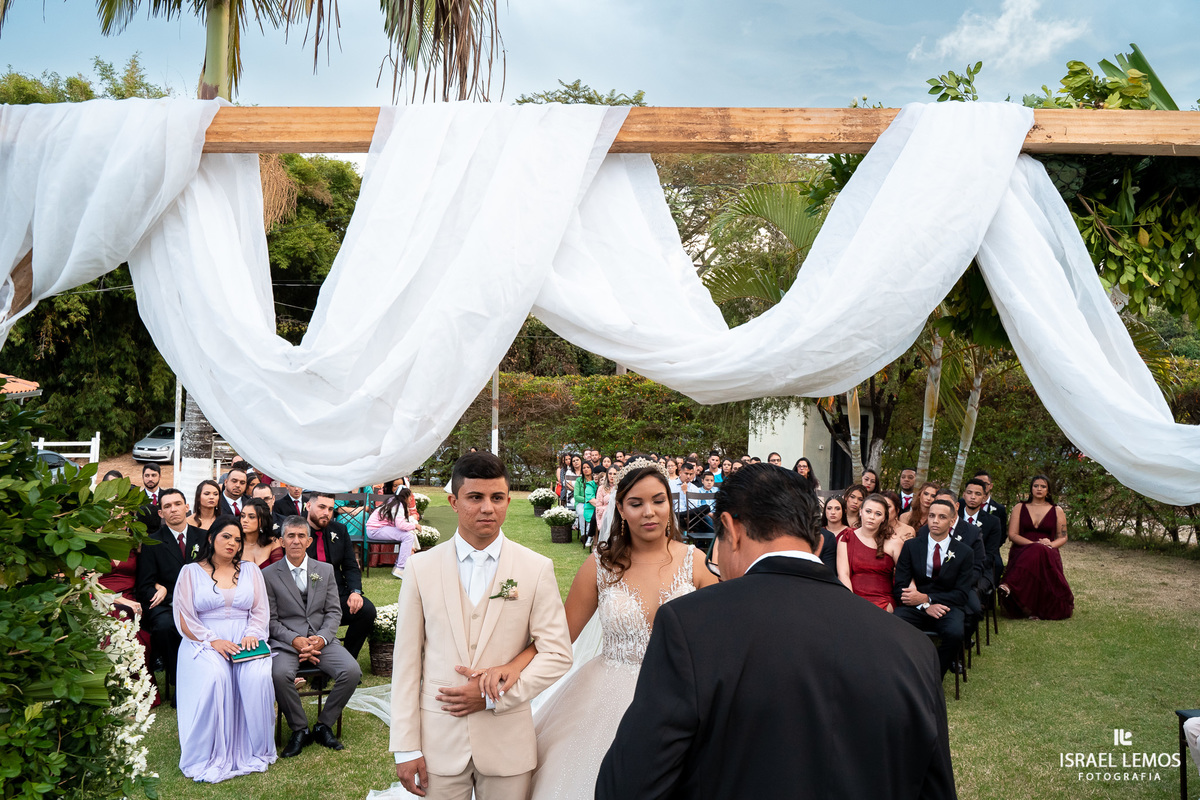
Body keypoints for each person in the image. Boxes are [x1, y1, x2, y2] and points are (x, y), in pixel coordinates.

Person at [596, 464, 956, 799]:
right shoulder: (912, 647)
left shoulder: (688, 625)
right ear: (817, 544)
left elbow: (629, 785)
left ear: (730, 530)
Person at [473, 459, 717, 800]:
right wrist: (513, 666)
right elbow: (560, 634)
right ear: (620, 508)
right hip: (605, 690)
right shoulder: (600, 566)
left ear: (669, 504)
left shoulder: (697, 562)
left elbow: (724, 637)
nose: (649, 512)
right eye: (636, 503)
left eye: (658, 501)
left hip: (676, 693)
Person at [390, 452, 573, 799]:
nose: (488, 508)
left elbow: (558, 654)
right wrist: (405, 746)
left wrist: (494, 697)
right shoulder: (421, 568)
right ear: (454, 502)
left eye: (497, 497)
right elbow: (407, 663)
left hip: (507, 744)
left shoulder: (535, 568)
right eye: (476, 497)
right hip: (438, 743)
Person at [172, 516, 276, 781]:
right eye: (226, 537)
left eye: (238, 540)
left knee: (257, 676)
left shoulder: (251, 570)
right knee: (215, 676)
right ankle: (211, 750)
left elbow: (260, 610)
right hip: (203, 640)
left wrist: (252, 634)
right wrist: (212, 640)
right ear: (211, 538)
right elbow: (184, 617)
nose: (232, 544)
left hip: (245, 640)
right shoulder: (190, 572)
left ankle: (257, 747)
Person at [264, 516, 362, 757]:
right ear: (281, 541)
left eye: (301, 536)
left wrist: (321, 639)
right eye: (290, 536)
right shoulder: (267, 575)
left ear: (308, 541)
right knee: (278, 674)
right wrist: (294, 640)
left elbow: (333, 612)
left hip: (321, 640)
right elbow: (270, 619)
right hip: (287, 643)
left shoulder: (325, 570)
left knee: (351, 671)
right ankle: (299, 729)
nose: (296, 541)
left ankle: (323, 725)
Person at [136, 488, 206, 698]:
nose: (173, 509)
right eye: (167, 506)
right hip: (168, 605)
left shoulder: (204, 538)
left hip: (201, 602)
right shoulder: (152, 542)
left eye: (177, 504)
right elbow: (144, 585)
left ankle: (208, 678)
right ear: (161, 513)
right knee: (165, 627)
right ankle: (180, 683)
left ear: (187, 507)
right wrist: (163, 591)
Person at [893, 498, 975, 677]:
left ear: (952, 521)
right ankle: (905, 673)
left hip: (947, 607)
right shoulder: (911, 546)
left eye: (942, 517)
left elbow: (961, 595)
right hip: (916, 607)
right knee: (895, 623)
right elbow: (899, 585)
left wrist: (928, 599)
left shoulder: (964, 552)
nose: (935, 521)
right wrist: (924, 605)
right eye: (931, 516)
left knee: (955, 633)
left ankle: (933, 675)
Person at [305, 493, 376, 659]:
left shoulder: (339, 530)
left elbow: (350, 566)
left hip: (336, 594)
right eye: (321, 507)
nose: (326, 513)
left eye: (330, 509)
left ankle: (347, 658)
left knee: (367, 611)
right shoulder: (297, 531)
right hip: (306, 598)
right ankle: (317, 665)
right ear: (308, 506)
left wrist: (355, 592)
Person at [999, 475, 1074, 620]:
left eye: (1043, 486)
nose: (1039, 489)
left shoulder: (1057, 510)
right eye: (1036, 486)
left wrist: (1050, 544)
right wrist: (1033, 544)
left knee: (1040, 550)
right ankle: (1025, 606)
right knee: (1036, 550)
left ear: (1048, 490)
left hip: (1048, 551)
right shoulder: (1019, 507)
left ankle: (1010, 585)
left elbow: (1063, 536)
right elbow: (1012, 535)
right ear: (1031, 488)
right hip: (1022, 549)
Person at [837, 494, 903, 611]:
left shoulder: (895, 542)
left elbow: (905, 575)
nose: (872, 517)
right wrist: (851, 601)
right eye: (868, 511)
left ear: (884, 518)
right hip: (853, 597)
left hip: (883, 600)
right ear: (861, 511)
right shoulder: (847, 537)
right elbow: (843, 574)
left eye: (878, 514)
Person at [961, 478, 1004, 594]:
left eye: (978, 494)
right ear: (964, 495)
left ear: (984, 497)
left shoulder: (993, 522)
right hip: (951, 566)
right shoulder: (953, 517)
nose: (973, 497)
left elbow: (990, 554)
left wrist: (970, 568)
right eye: (969, 493)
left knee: (972, 590)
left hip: (981, 569)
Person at [367, 488, 420, 576]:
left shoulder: (393, 501)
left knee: (407, 535)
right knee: (408, 536)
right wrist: (415, 526)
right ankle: (400, 567)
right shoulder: (398, 506)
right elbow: (400, 525)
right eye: (410, 496)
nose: (411, 499)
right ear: (405, 497)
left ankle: (398, 565)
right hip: (376, 530)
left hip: (375, 529)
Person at [240, 498, 283, 568]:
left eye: (251, 517)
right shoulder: (236, 543)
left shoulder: (272, 542)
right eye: (242, 516)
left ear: (262, 520)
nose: (244, 520)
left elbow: (279, 572)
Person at [817, 496, 849, 573]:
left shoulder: (851, 533)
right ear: (824, 511)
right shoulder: (817, 533)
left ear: (844, 511)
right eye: (829, 508)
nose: (833, 512)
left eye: (837, 508)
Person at [136, 463, 164, 535]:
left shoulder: (166, 496)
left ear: (160, 476)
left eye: (153, 475)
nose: (150, 479)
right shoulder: (136, 498)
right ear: (143, 477)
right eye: (147, 476)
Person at [573, 461, 596, 541]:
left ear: (591, 468)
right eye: (584, 468)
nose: (586, 469)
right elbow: (576, 496)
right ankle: (584, 535)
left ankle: (590, 534)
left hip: (593, 502)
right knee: (582, 513)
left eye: (588, 467)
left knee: (593, 513)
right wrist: (587, 500)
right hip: (581, 502)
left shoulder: (595, 480)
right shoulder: (579, 480)